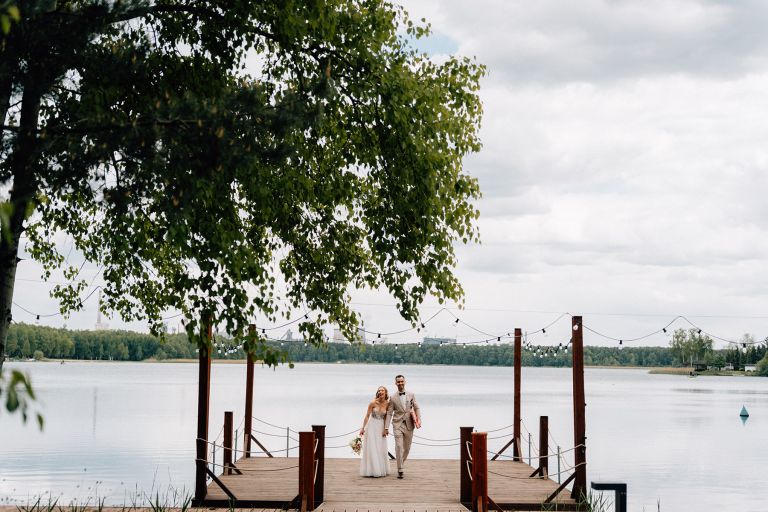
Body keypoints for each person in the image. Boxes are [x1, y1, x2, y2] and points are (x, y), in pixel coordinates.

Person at [385, 374, 421, 479]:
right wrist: (386, 427)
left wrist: (419, 419)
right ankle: (400, 469)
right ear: (395, 383)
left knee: (407, 448)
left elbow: (417, 408)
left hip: (410, 424)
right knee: (399, 447)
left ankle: (401, 463)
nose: (400, 383)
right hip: (397, 424)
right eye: (398, 382)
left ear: (405, 382)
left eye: (402, 381)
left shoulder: (411, 394)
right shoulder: (392, 397)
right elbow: (389, 413)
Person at [359, 385, 390, 477]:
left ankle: (381, 468)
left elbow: (386, 418)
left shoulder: (387, 404)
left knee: (380, 447)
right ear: (377, 392)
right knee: (372, 447)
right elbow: (367, 416)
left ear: (385, 392)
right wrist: (363, 428)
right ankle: (372, 470)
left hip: (381, 427)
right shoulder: (372, 403)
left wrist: (385, 429)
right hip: (372, 426)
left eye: (382, 390)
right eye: (379, 391)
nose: (381, 392)